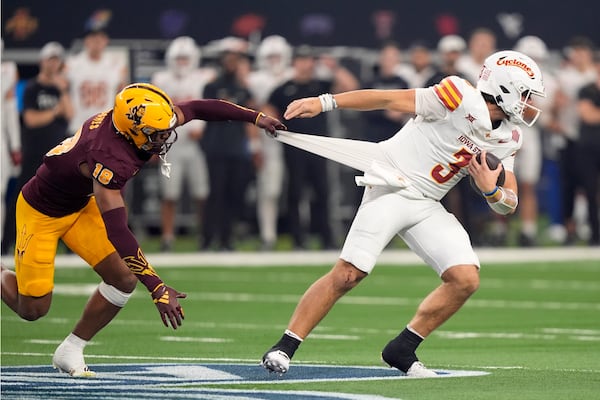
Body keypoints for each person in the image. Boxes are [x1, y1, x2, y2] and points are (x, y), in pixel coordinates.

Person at [261, 50, 545, 377]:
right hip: (393, 184)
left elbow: (508, 202)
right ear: (504, 88)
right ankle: (285, 346)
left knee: (465, 279)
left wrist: (490, 190)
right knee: (349, 273)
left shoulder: (509, 135)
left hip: (427, 202)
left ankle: (402, 348)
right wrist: (326, 102)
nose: (528, 103)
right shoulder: (458, 95)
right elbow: (387, 98)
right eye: (524, 94)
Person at [0, 82, 285, 377]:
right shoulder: (109, 155)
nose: (164, 137)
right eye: (156, 134)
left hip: (80, 203)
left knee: (123, 279)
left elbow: (199, 108)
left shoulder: (136, 121)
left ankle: (71, 349)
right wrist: (157, 287)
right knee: (32, 309)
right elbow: (117, 231)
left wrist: (255, 117)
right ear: (133, 130)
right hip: (42, 211)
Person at [263, 44, 358, 249]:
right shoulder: (283, 88)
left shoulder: (320, 85)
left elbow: (351, 87)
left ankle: (326, 238)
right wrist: (274, 124)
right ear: (294, 63)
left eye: (308, 60)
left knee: (322, 192)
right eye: (301, 59)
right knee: (295, 193)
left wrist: (333, 67)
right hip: (294, 146)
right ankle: (298, 239)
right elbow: (268, 109)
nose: (305, 64)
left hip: (319, 145)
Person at [2, 42, 72, 256]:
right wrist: (54, 112)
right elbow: (31, 119)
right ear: (42, 61)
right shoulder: (31, 87)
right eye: (50, 59)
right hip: (34, 151)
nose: (53, 64)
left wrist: (62, 91)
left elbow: (69, 114)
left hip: (57, 152)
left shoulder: (60, 88)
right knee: (22, 197)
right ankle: (8, 241)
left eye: (56, 60)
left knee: (65, 196)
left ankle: (68, 244)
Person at [151, 36, 216, 251]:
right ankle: (167, 237)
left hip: (197, 145)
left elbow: (213, 108)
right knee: (169, 194)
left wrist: (203, 129)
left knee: (202, 193)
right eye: (178, 58)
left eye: (185, 58)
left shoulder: (205, 78)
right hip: (171, 145)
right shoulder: (160, 79)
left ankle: (203, 235)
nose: (181, 63)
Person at [200, 37, 260, 251]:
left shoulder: (242, 88)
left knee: (233, 194)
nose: (232, 64)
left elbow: (253, 113)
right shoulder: (212, 87)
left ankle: (226, 238)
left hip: (236, 148)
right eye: (229, 60)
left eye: (236, 60)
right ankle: (207, 238)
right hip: (216, 147)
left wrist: (254, 147)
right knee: (215, 193)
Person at [247, 35, 294, 250]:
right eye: (271, 56)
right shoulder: (254, 79)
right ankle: (268, 235)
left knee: (297, 189)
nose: (275, 60)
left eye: (278, 56)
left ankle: (298, 235)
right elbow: (250, 110)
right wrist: (255, 145)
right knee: (270, 190)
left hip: (295, 138)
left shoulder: (294, 75)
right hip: (270, 138)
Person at [65, 27, 127, 137]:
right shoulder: (73, 64)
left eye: (100, 37)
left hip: (104, 127)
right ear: (86, 40)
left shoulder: (116, 65)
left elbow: (122, 95)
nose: (97, 40)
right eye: (93, 37)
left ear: (106, 40)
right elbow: (62, 89)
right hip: (78, 126)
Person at [362, 40, 410, 143]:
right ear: (381, 59)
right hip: (374, 135)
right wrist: (385, 113)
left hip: (396, 137)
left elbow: (410, 106)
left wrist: (401, 112)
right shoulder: (370, 83)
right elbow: (363, 107)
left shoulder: (403, 84)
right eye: (387, 58)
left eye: (393, 58)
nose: (390, 62)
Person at [576, 53, 600, 245]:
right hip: (589, 147)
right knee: (590, 190)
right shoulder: (587, 90)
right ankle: (594, 233)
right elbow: (588, 115)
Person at [0, 39, 22, 252]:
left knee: (0, 194)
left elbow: (10, 113)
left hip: (0, 141)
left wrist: (14, 146)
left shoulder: (6, 73)